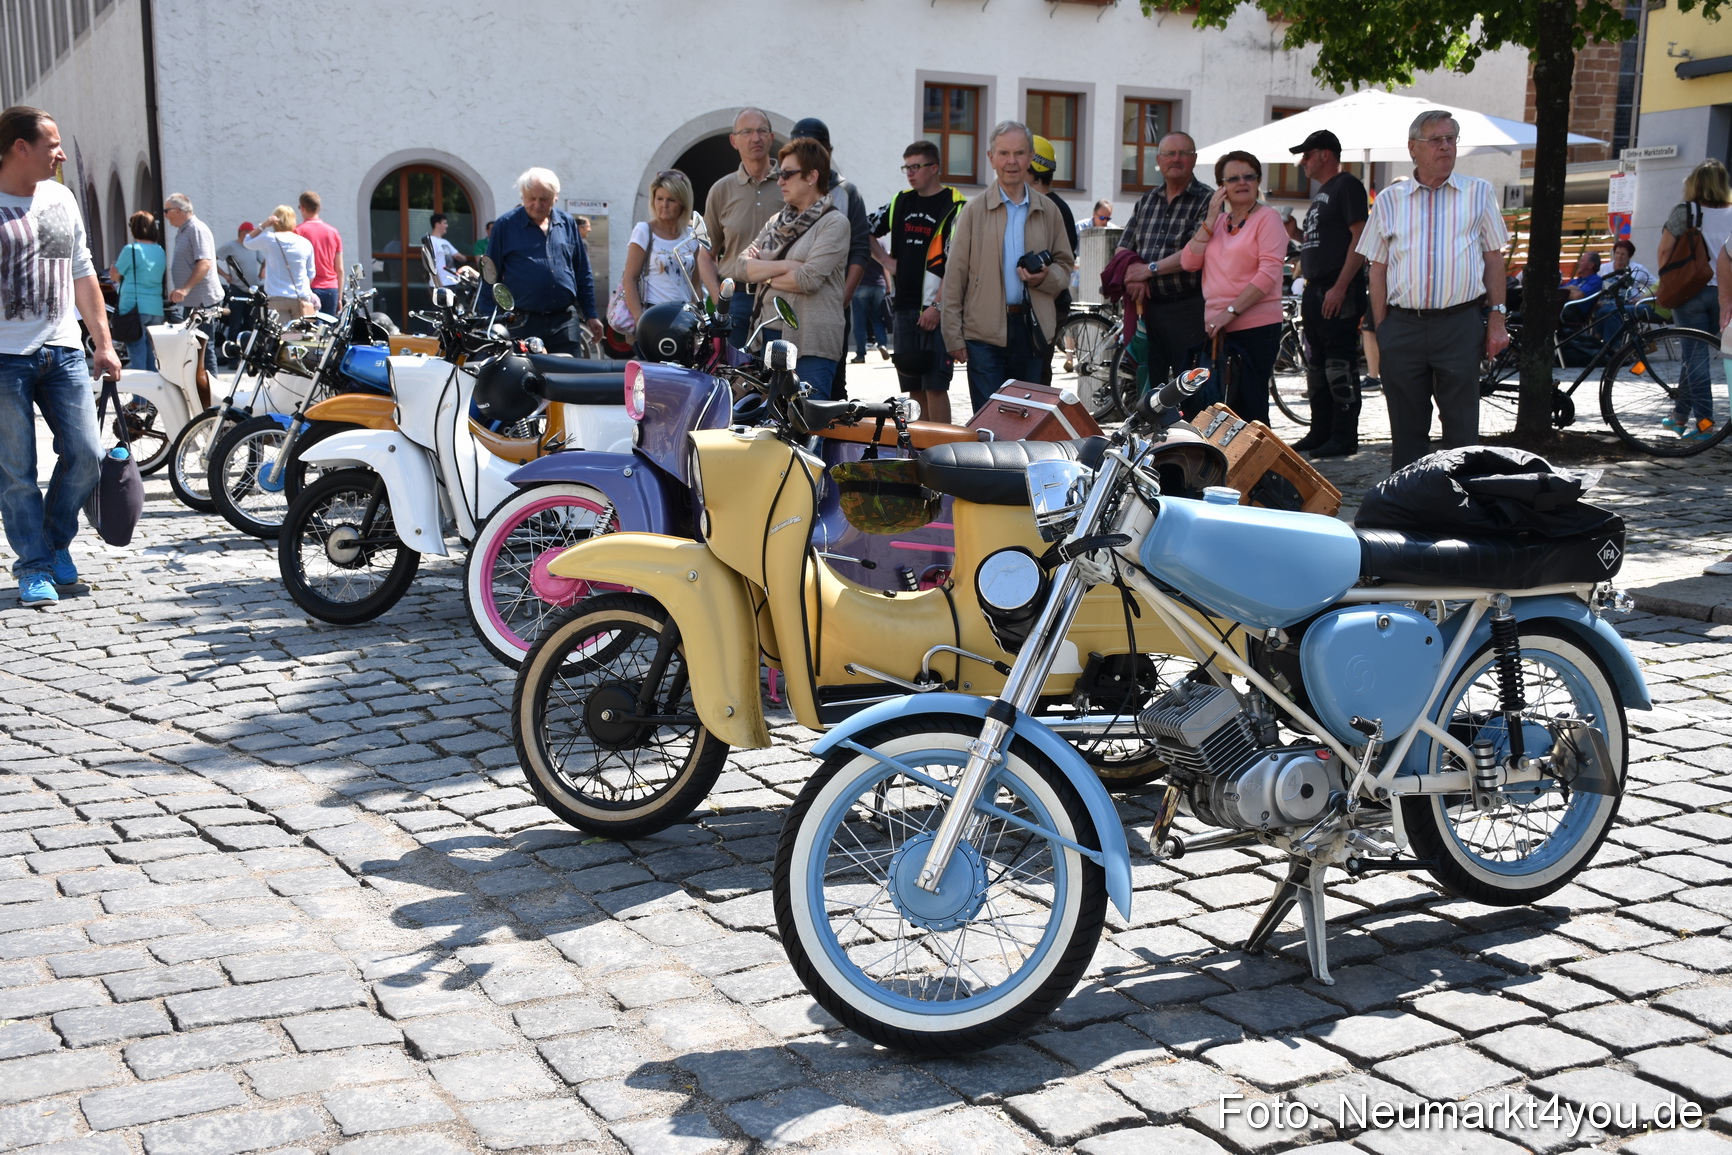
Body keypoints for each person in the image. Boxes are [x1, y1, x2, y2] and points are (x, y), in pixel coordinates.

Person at [0, 105, 118, 607]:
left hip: (63, 347)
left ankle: (52, 543)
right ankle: (34, 566)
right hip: (4, 356)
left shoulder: (59, 197)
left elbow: (80, 270)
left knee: (87, 455)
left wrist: (104, 342)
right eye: (51, 144)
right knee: (16, 470)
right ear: (20, 148)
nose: (61, 153)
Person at [1357, 110, 1510, 471]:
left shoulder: (1479, 193)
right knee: (1407, 432)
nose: (1445, 146)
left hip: (1460, 324)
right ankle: (1410, 507)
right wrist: (1384, 329)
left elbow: (1493, 260)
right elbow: (1377, 269)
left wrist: (1497, 318)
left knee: (1461, 430)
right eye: (1436, 140)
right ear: (1413, 148)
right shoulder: (1390, 201)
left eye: (1451, 138)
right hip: (1403, 327)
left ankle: (1462, 504)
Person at [941, 120, 1076, 413]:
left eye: (1019, 153)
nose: (1011, 161)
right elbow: (955, 275)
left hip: (1032, 330)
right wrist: (952, 334)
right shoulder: (974, 211)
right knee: (989, 423)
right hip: (983, 333)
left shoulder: (1048, 210)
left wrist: (1044, 278)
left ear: (1029, 158)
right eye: (1003, 153)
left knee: (1028, 423)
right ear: (991, 158)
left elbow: (1066, 265)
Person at [1178, 151, 1287, 426]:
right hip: (1217, 330)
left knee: (1251, 408)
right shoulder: (1218, 223)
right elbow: (1189, 261)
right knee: (1219, 407)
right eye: (1233, 178)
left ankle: (1261, 467)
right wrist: (1211, 217)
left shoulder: (1268, 218)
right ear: (1221, 186)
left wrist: (1229, 312)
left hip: (1255, 327)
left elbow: (1269, 273)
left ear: (1258, 181)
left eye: (1249, 176)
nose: (1242, 182)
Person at [741, 137, 851, 400]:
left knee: (806, 428)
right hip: (767, 335)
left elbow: (807, 280)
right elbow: (743, 267)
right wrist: (786, 266)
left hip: (811, 342)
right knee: (768, 428)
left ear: (812, 176)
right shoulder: (777, 221)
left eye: (788, 174)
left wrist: (764, 272)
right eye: (779, 174)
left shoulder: (834, 223)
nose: (780, 181)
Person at [1285, 129, 1369, 457]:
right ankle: (1320, 432)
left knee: (1339, 363)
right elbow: (1326, 241)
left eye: (1307, 155)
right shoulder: (1324, 192)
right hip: (1317, 288)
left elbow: (1359, 238)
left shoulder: (1346, 186)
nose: (1302, 162)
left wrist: (1341, 286)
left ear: (1324, 155)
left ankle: (1344, 436)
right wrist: (1297, 235)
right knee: (1317, 363)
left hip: (1337, 288)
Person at [872, 140, 967, 424]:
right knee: (913, 385)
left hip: (936, 307)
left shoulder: (955, 205)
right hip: (904, 307)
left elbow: (958, 263)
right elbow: (864, 228)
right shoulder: (901, 201)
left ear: (934, 167)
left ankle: (941, 450)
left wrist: (938, 305)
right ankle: (920, 451)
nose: (910, 173)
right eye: (906, 167)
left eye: (916, 167)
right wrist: (885, 261)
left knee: (936, 386)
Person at [1118, 132, 1214, 402]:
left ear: (1194, 159)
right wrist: (1133, 273)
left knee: (1192, 390)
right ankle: (1154, 442)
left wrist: (1147, 270)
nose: (1176, 159)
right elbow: (1124, 247)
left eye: (1184, 153)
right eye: (1170, 153)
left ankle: (1192, 442)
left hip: (1189, 308)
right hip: (1148, 309)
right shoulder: (1146, 201)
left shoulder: (1207, 201)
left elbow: (1195, 251)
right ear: (1158, 160)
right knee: (1149, 391)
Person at [789, 118, 871, 396]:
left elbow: (861, 248)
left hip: (830, 304)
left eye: (817, 147)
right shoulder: (786, 187)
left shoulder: (847, 193)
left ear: (828, 151)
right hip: (787, 302)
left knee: (832, 386)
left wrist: (844, 295)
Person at [488, 167, 602, 355]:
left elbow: (582, 272)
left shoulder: (567, 224)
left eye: (544, 199)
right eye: (531, 198)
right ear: (522, 196)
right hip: (521, 322)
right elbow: (490, 277)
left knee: (570, 379)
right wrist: (490, 321)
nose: (537, 204)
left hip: (564, 322)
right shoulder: (505, 226)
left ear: (555, 197)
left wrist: (591, 314)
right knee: (524, 380)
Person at [1657, 159, 1731, 441]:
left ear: (1695, 183)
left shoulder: (1686, 212)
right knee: (1696, 355)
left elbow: (1664, 252)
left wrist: (1668, 280)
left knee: (1695, 357)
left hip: (1690, 292)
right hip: (1724, 295)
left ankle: (1705, 425)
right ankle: (1678, 418)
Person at [705, 108, 779, 348]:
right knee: (735, 378)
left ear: (772, 137)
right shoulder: (721, 190)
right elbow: (706, 254)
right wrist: (721, 300)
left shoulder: (790, 184)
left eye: (761, 131)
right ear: (734, 140)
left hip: (781, 298)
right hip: (736, 300)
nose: (755, 138)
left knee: (780, 376)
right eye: (747, 132)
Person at [621, 169, 721, 326]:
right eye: (659, 199)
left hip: (684, 316)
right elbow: (629, 278)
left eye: (671, 200)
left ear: (682, 203)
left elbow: (695, 283)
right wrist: (639, 318)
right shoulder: (644, 231)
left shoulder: (691, 235)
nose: (664, 205)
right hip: (653, 314)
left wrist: (699, 317)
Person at [160, 192, 222, 374]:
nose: (164, 215)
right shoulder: (185, 230)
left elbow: (205, 263)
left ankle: (212, 395)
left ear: (178, 211)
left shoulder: (196, 229)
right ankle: (202, 392)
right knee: (195, 347)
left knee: (203, 346)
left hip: (202, 301)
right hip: (194, 301)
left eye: (166, 211)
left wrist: (185, 289)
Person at [109, 210, 166, 371]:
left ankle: (139, 396)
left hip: (134, 306)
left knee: (137, 355)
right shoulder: (160, 250)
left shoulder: (131, 249)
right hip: (155, 307)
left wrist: (115, 273)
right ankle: (153, 394)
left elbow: (116, 275)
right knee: (151, 355)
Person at [244, 206, 318, 323]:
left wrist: (263, 225)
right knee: (301, 337)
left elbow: (247, 242)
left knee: (283, 337)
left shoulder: (270, 238)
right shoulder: (305, 243)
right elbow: (311, 273)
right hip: (301, 298)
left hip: (277, 297)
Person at [296, 191, 343, 316]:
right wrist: (339, 297)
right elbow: (340, 269)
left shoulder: (298, 231)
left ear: (302, 208)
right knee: (329, 332)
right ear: (319, 208)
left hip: (310, 288)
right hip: (331, 288)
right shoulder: (333, 232)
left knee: (311, 332)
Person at [849, 259, 889, 363]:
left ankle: (860, 354)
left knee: (859, 322)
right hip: (879, 286)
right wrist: (889, 285)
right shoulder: (882, 245)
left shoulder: (859, 243)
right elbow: (886, 266)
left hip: (860, 285)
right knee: (878, 318)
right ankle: (882, 344)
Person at [425, 212, 463, 287]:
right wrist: (439, 285)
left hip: (452, 282)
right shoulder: (430, 241)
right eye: (445, 223)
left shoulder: (445, 242)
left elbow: (461, 258)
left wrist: (459, 257)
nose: (447, 226)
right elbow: (430, 264)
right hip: (441, 284)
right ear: (437, 224)